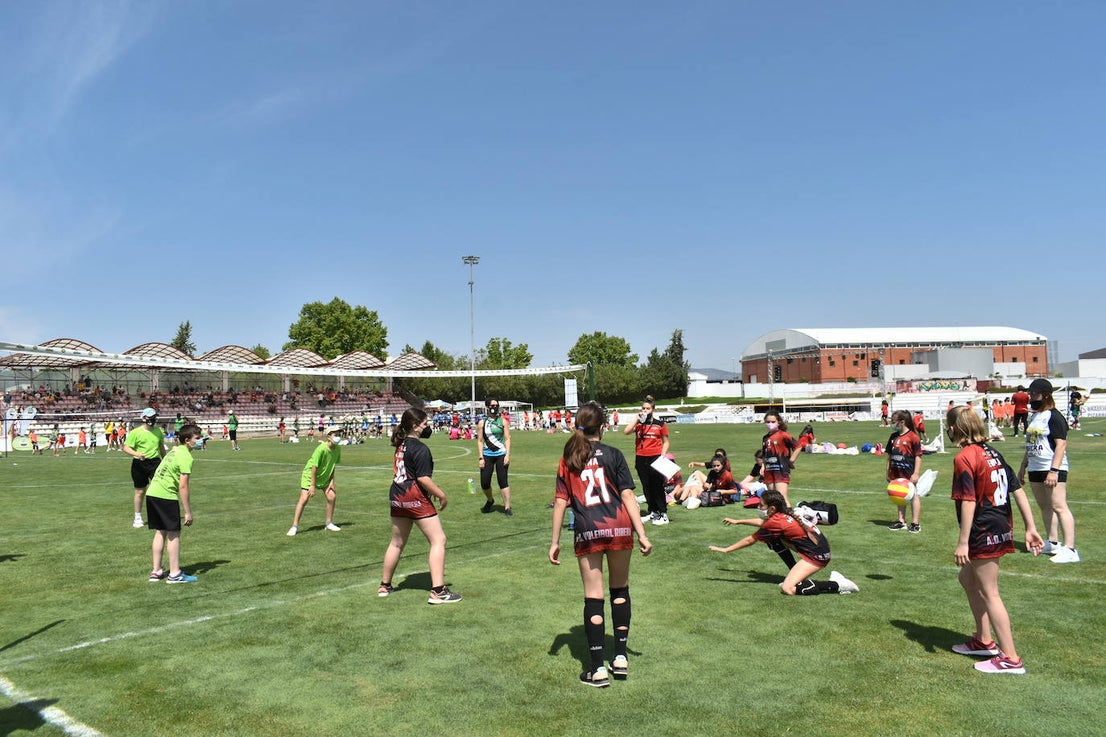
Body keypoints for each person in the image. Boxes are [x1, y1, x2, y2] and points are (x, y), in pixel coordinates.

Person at [549, 401, 652, 687]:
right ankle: (620, 657)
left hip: (588, 530)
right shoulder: (615, 454)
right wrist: (642, 533)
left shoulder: (569, 456)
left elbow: (560, 501)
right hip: (620, 528)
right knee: (620, 589)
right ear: (603, 427)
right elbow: (629, 497)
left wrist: (554, 541)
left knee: (594, 596)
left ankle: (597, 669)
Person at [946, 405, 1043, 674]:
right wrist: (1030, 527)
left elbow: (967, 500)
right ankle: (984, 640)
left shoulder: (965, 457)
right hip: (998, 523)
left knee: (990, 592)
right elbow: (1018, 490)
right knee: (967, 579)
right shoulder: (992, 451)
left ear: (954, 429)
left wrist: (963, 541)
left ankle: (1011, 658)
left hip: (983, 528)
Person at [378, 408, 461, 604]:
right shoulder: (420, 448)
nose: (427, 427)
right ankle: (438, 591)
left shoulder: (401, 444)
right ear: (415, 426)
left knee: (396, 542)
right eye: (424, 424)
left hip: (397, 494)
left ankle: (385, 584)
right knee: (438, 540)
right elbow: (423, 478)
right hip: (413, 496)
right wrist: (442, 495)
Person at [709, 489, 858, 596]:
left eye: (761, 505)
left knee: (788, 589)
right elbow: (764, 522)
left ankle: (838, 584)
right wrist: (738, 521)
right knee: (774, 540)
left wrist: (726, 550)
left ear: (772, 508)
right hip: (819, 549)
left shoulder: (777, 522)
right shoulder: (783, 513)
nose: (758, 507)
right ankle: (797, 576)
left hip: (817, 556)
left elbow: (750, 540)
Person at [1017, 378, 1078, 563]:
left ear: (1045, 395)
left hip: (1051, 467)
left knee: (1059, 506)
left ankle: (1070, 548)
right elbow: (1031, 443)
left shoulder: (1055, 416)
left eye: (1034, 393)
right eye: (1031, 393)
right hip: (1035, 467)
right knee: (1045, 506)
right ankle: (1052, 542)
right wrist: (1022, 466)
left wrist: (1054, 470)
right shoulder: (1035, 416)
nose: (1031, 396)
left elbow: (1061, 445)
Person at [145, 424, 202, 584]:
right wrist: (188, 511)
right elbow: (183, 485)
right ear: (187, 440)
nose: (200, 441)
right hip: (165, 495)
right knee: (173, 533)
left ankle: (156, 571)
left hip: (152, 493)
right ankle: (175, 574)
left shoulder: (174, 450)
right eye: (197, 438)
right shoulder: (185, 456)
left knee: (160, 532)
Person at [623, 395, 671, 525]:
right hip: (640, 457)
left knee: (657, 486)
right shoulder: (638, 424)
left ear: (653, 410)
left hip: (656, 457)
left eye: (647, 408)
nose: (645, 410)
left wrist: (663, 453)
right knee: (646, 486)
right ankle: (653, 511)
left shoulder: (660, 424)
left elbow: (666, 442)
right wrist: (636, 418)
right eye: (643, 408)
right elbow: (626, 431)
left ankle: (663, 513)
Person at [287, 428, 343, 536]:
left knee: (332, 496)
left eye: (339, 434)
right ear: (329, 437)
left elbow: (333, 465)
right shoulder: (321, 449)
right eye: (336, 434)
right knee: (304, 499)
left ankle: (328, 523)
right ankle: (294, 526)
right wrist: (312, 485)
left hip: (324, 477)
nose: (338, 436)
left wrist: (332, 481)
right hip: (310, 476)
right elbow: (314, 467)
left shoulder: (338, 449)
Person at [124, 408, 166, 528]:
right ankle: (138, 516)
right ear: (143, 418)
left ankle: (159, 515)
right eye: (150, 417)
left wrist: (165, 461)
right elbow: (126, 447)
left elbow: (161, 447)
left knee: (158, 489)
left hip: (155, 463)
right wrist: (137, 454)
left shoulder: (158, 431)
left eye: (154, 417)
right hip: (139, 463)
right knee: (140, 491)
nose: (152, 419)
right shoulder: (136, 432)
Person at [887, 410, 924, 533]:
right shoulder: (893, 437)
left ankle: (915, 523)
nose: (892, 424)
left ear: (901, 422)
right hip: (896, 472)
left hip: (909, 472)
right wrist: (888, 471)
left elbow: (918, 456)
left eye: (893, 422)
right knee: (899, 496)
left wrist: (916, 473)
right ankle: (901, 521)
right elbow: (889, 456)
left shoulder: (913, 437)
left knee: (913, 496)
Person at [477, 399, 512, 516]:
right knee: (484, 482)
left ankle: (507, 507)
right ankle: (490, 500)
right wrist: (481, 457)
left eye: (497, 405)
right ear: (487, 407)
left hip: (501, 454)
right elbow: (480, 441)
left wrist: (507, 454)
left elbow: (507, 438)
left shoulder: (503, 421)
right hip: (487, 455)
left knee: (503, 481)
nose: (495, 407)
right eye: (493, 405)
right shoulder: (482, 423)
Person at [760, 412, 796, 507]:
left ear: (778, 422)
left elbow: (798, 446)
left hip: (781, 469)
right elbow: (764, 454)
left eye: (773, 421)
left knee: (782, 497)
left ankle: (789, 518)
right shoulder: (765, 438)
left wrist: (791, 460)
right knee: (772, 498)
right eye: (768, 422)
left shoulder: (783, 435)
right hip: (769, 469)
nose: (770, 424)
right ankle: (776, 519)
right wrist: (763, 466)